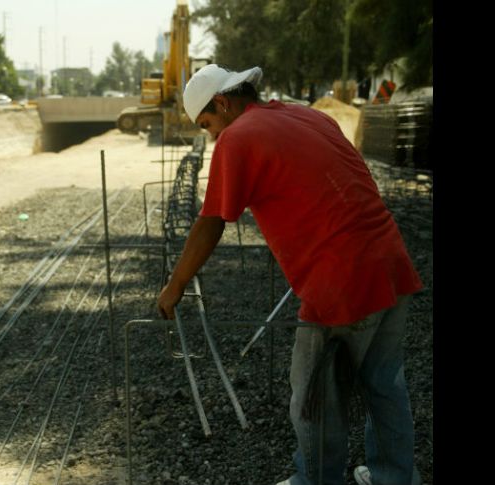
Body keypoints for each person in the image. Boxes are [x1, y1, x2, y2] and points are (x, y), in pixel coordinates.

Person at [156, 64, 424, 485]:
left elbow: (212, 221)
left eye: (208, 124)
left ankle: (316, 480)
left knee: (315, 396)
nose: (211, 136)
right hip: (390, 261)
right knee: (384, 384)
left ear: (223, 103)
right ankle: (395, 477)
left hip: (340, 282)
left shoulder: (238, 138)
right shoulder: (308, 115)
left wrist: (174, 286)